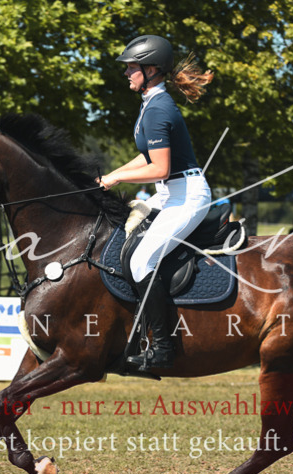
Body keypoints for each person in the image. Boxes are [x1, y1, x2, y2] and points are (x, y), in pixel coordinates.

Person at [96, 35, 213, 371]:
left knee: (141, 262)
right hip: (169, 193)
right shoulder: (150, 104)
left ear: (151, 70)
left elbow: (159, 168)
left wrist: (117, 179)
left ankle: (162, 348)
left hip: (186, 196)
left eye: (132, 67)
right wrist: (111, 174)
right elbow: (147, 156)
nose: (127, 72)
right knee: (126, 247)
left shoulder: (159, 107)